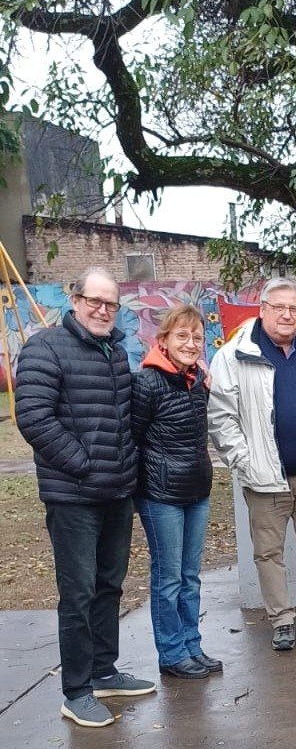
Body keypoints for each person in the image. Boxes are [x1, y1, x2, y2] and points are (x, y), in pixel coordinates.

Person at [15, 267, 156, 728]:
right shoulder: (45, 346)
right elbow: (34, 417)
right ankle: (76, 691)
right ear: (74, 300)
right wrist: (82, 463)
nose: (101, 309)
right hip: (73, 496)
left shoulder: (115, 351)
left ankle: (103, 670)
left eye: (110, 303)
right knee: (77, 593)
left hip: (116, 492)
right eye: (93, 300)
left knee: (109, 586)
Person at [207, 278, 296, 652]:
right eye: (279, 307)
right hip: (266, 478)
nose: (287, 315)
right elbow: (221, 417)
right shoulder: (233, 355)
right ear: (263, 310)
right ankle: (282, 620)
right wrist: (245, 462)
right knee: (269, 553)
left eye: (294, 309)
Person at [132, 304, 222, 680]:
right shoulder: (147, 383)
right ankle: (171, 653)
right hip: (161, 495)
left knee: (190, 576)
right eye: (182, 335)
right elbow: (132, 437)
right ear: (164, 340)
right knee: (168, 579)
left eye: (197, 337)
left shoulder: (196, 380)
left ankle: (191, 645)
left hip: (196, 490)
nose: (191, 343)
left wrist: (204, 380)